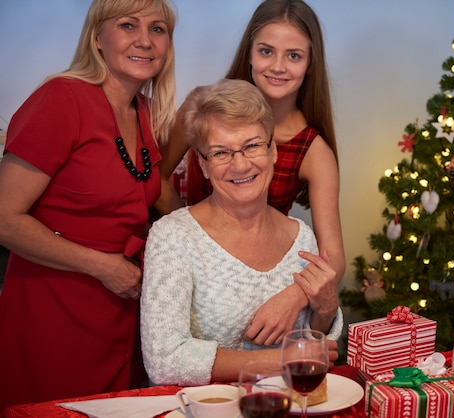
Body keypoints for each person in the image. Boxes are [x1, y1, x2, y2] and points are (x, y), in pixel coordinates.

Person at [0, 0, 177, 410]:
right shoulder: (61, 98)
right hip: (53, 310)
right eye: (128, 25)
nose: (144, 40)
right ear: (97, 38)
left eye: (158, 29)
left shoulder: (146, 111)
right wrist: (100, 265)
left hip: (121, 311)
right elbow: (4, 219)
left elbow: (154, 190)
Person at [141, 79, 342, 385]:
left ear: (272, 150)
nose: (240, 164)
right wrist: (279, 361)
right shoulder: (172, 236)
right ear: (204, 165)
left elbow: (316, 349)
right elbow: (164, 360)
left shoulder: (301, 237)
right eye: (221, 153)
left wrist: (325, 310)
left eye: (252, 146)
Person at [156, 0, 345, 284]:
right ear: (250, 54)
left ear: (310, 64)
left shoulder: (314, 152)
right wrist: (191, 232)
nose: (278, 67)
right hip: (194, 267)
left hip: (259, 277)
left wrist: (293, 299)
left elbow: (334, 261)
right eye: (267, 51)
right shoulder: (203, 109)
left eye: (293, 56)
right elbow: (154, 178)